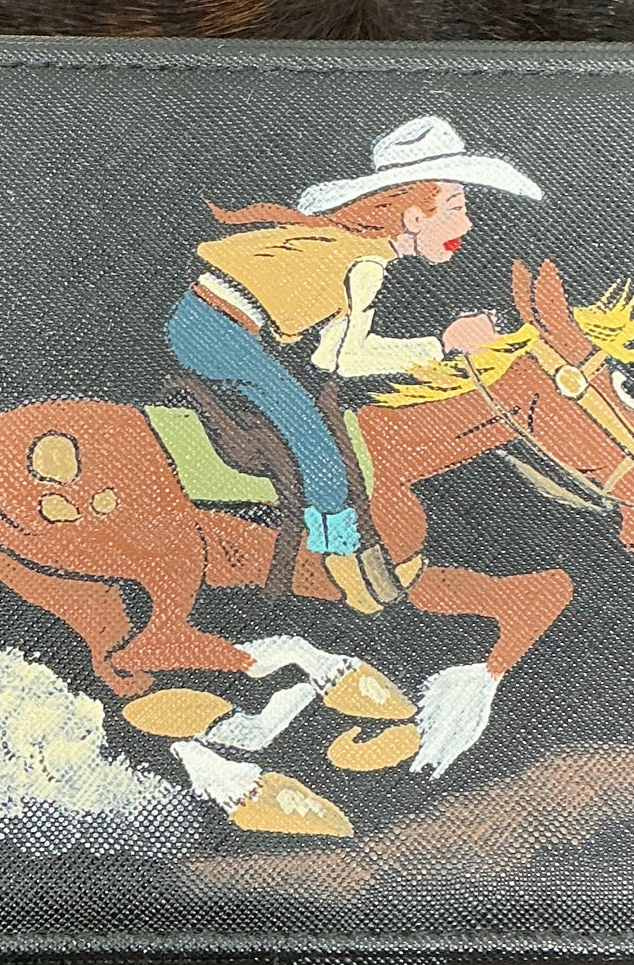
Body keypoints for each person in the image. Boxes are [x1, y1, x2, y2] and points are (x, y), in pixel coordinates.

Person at [165, 115, 544, 614]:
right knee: (312, 437)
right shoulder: (363, 262)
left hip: (214, 324)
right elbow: (345, 358)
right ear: (414, 217)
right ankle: (340, 559)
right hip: (214, 331)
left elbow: (329, 355)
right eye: (455, 208)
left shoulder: (357, 252)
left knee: (305, 417)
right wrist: (444, 344)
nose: (466, 225)